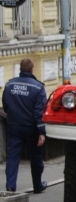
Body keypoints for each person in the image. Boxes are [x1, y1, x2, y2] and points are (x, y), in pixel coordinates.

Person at [2, 58, 48, 193]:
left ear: (20, 70)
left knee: (12, 157)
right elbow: (39, 112)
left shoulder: (10, 85)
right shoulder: (38, 87)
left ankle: (10, 187)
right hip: (31, 129)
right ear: (32, 70)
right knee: (36, 158)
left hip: (14, 127)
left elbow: (5, 106)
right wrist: (41, 132)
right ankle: (37, 185)